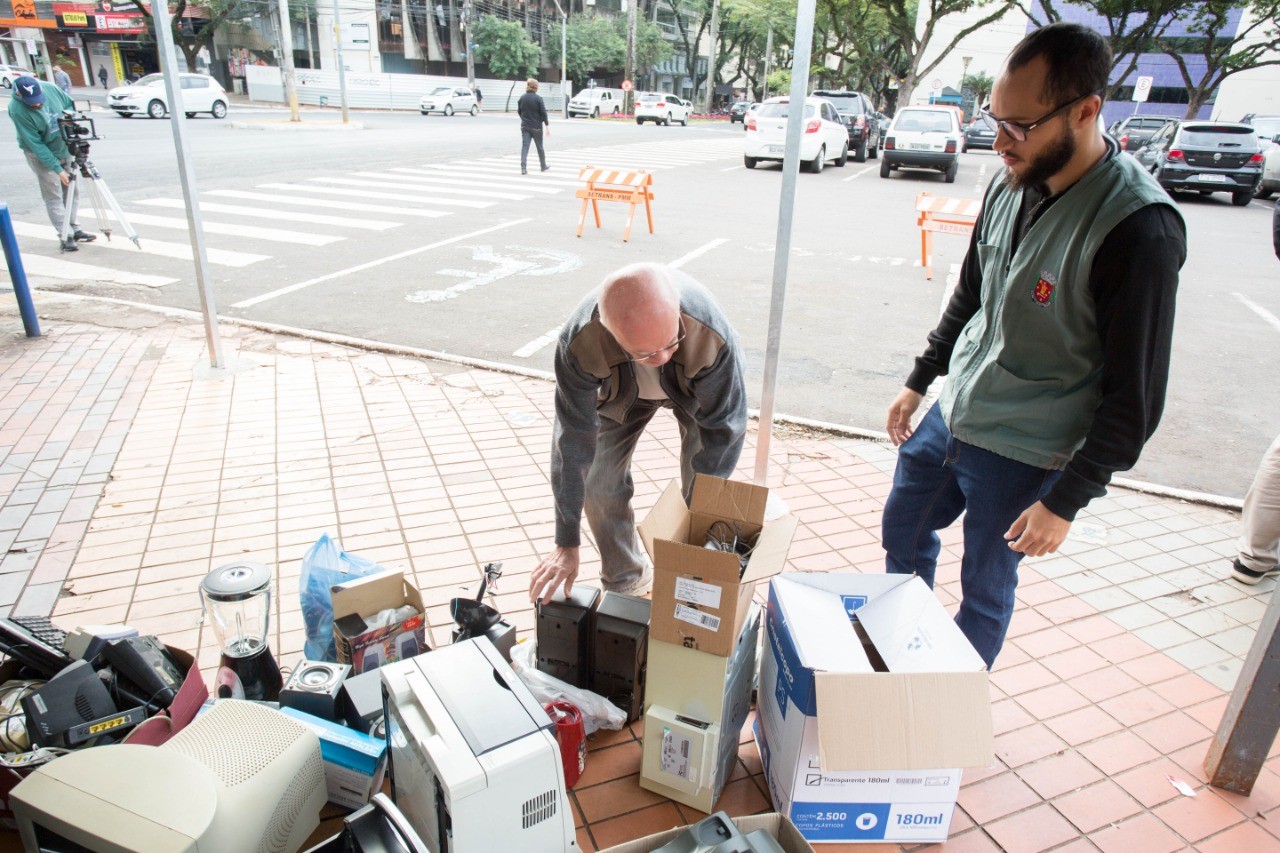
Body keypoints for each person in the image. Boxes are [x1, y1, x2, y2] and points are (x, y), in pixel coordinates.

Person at [880, 22, 1186, 669]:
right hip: (956, 411)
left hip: (1027, 447)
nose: (1000, 142)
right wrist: (919, 379)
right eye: (996, 121)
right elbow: (971, 294)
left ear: (1085, 111)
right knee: (902, 529)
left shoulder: (1138, 229)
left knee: (985, 585)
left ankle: (943, 705)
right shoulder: (1008, 180)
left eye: (1020, 127)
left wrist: (1065, 501)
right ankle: (899, 653)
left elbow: (1135, 400)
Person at [529, 263, 748, 605]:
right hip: (619, 394)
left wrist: (698, 529)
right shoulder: (580, 343)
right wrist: (566, 541)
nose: (662, 359)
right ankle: (626, 579)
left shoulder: (709, 334)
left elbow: (724, 431)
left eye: (671, 343)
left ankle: (691, 574)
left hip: (695, 393)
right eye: (645, 353)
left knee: (702, 486)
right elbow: (572, 440)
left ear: (677, 311)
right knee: (598, 482)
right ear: (610, 332)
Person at [7, 76, 95, 252]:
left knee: (71, 190)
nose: (37, 104)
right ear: (19, 95)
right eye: (32, 103)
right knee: (53, 194)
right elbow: (35, 144)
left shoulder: (50, 88)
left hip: (64, 147)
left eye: (39, 100)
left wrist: (69, 120)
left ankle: (74, 227)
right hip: (40, 153)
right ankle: (65, 234)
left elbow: (70, 104)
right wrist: (57, 168)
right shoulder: (17, 110)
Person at [517, 77, 549, 175]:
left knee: (525, 146)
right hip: (536, 127)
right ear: (536, 87)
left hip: (525, 126)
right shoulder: (538, 99)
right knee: (539, 147)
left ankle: (523, 168)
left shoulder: (522, 98)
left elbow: (519, 111)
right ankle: (543, 166)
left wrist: (524, 119)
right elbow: (543, 113)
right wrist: (547, 125)